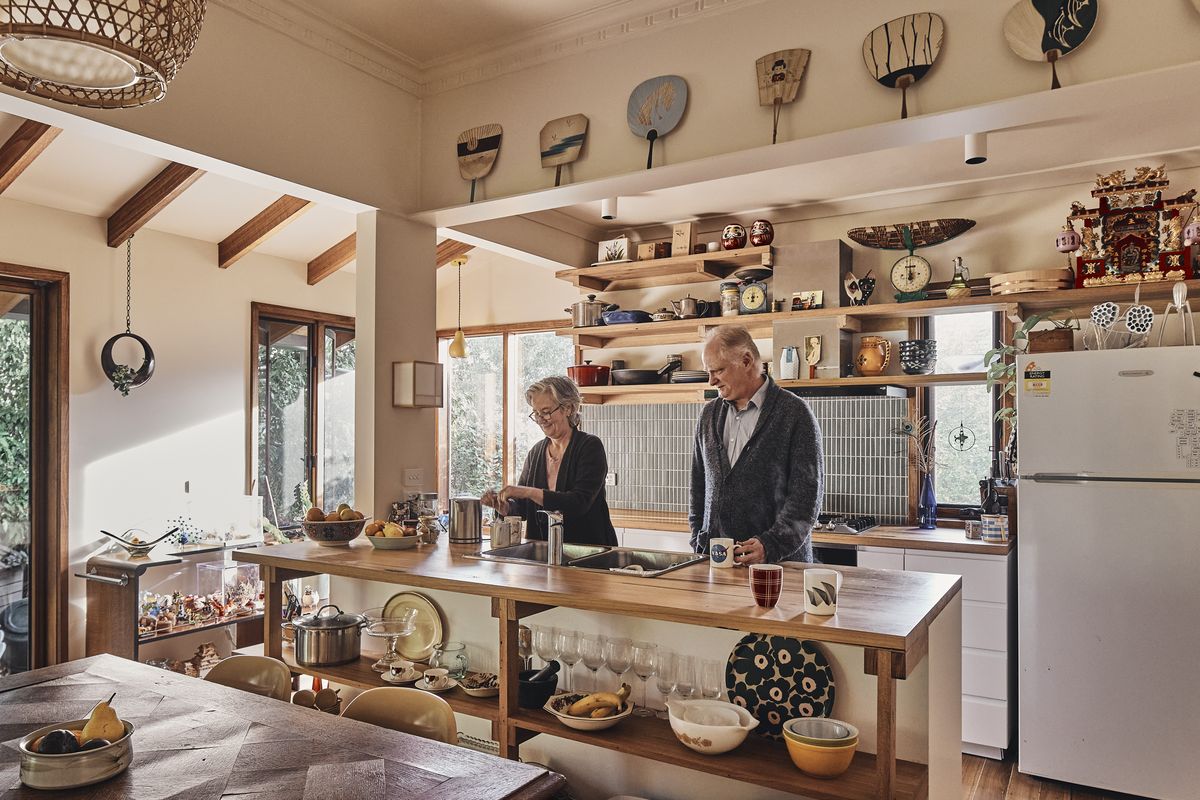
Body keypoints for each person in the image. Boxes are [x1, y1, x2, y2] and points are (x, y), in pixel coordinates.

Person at [690, 326, 823, 564]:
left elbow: (806, 497)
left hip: (779, 567)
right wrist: (697, 540)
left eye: (718, 370)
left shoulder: (795, 413)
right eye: (708, 372)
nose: (711, 381)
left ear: (746, 360)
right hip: (717, 565)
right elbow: (698, 486)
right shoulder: (708, 416)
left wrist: (771, 545)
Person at [482, 376, 617, 546]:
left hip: (587, 552)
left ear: (568, 408)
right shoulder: (536, 452)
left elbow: (578, 503)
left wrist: (528, 491)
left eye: (545, 412)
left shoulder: (589, 446)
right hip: (542, 552)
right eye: (536, 413)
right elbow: (523, 510)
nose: (540, 419)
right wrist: (504, 507)